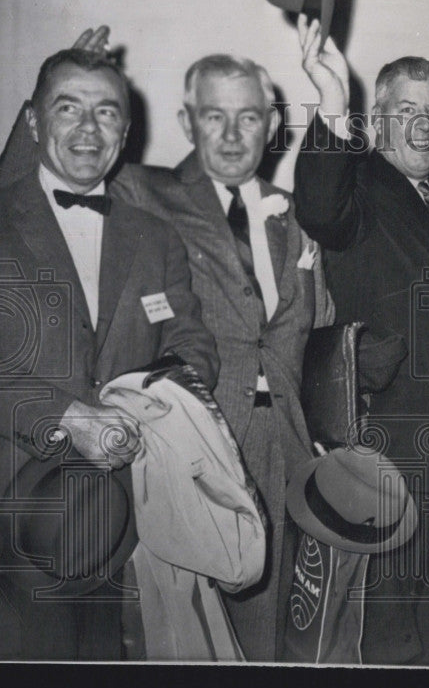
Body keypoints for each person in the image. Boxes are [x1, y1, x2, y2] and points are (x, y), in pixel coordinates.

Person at [0, 47, 218, 660]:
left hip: (115, 527)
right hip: (6, 524)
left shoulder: (155, 237)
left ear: (126, 129)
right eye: (69, 109)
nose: (89, 130)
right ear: (35, 123)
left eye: (107, 113)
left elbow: (190, 346)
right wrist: (69, 418)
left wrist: (144, 408)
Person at [112, 54, 331, 661]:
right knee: (184, 636)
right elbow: (33, 197)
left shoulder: (294, 212)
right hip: (190, 447)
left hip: (280, 445)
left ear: (272, 125)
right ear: (187, 122)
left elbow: (316, 325)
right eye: (215, 117)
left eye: (249, 118)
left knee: (266, 636)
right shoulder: (143, 190)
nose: (233, 136)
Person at [292, 15, 429, 665]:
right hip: (390, 449)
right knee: (386, 624)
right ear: (378, 121)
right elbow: (320, 206)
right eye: (407, 110)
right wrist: (333, 107)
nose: (424, 125)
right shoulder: (363, 183)